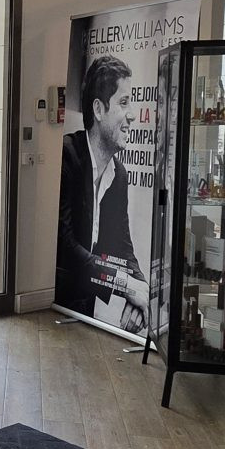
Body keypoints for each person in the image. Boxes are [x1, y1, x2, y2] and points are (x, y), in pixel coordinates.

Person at [56, 54, 144, 318]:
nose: (132, 115)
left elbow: (123, 246)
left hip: (86, 306)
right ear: (98, 109)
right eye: (124, 103)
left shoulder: (119, 175)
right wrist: (125, 286)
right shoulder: (67, 156)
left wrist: (140, 290)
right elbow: (64, 244)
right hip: (54, 303)